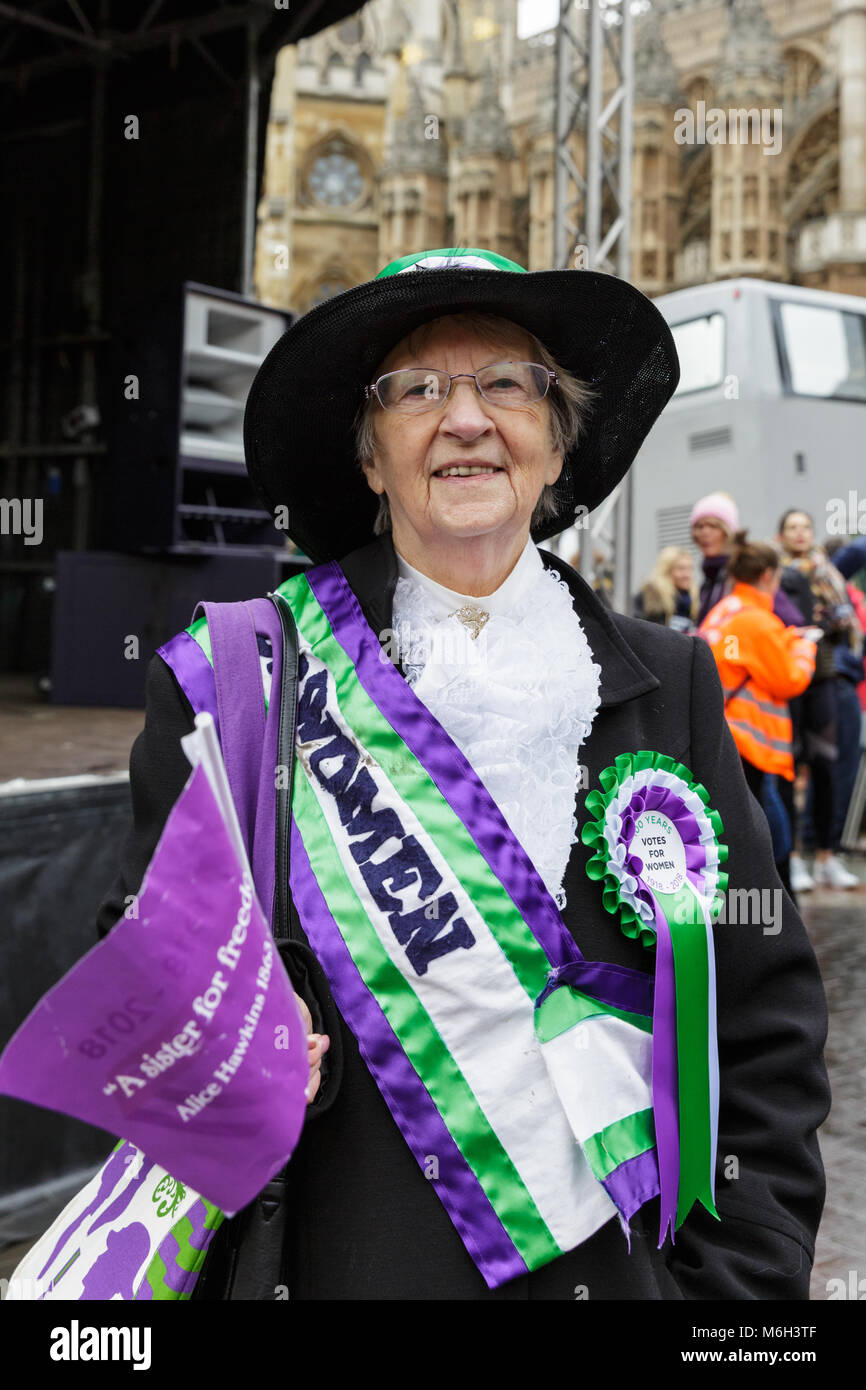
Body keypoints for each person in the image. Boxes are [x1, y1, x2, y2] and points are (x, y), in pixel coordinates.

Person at [97, 247, 829, 1300]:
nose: (467, 418)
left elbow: (760, 1031)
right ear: (368, 455)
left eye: (504, 383)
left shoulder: (668, 682)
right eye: (416, 389)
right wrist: (224, 1041)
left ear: (553, 434)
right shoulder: (243, 680)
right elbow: (142, 983)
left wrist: (730, 1296)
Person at [697, 531, 821, 903]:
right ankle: (780, 924)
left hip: (724, 737)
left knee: (744, 835)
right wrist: (804, 648)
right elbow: (789, 680)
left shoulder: (724, 610)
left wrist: (783, 639)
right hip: (749, 745)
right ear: (768, 575)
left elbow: (746, 656)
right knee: (771, 841)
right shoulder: (756, 621)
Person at [778, 509, 862, 890]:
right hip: (788, 677)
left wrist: (830, 620)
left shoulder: (828, 572)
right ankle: (793, 858)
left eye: (805, 526)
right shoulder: (774, 574)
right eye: (792, 527)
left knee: (827, 765)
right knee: (790, 767)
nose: (800, 533)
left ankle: (827, 857)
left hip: (824, 673)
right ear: (781, 536)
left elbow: (845, 622)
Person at [633, 546, 698, 632]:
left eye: (690, 569)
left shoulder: (697, 599)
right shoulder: (650, 598)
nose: (687, 575)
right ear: (666, 570)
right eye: (681, 569)